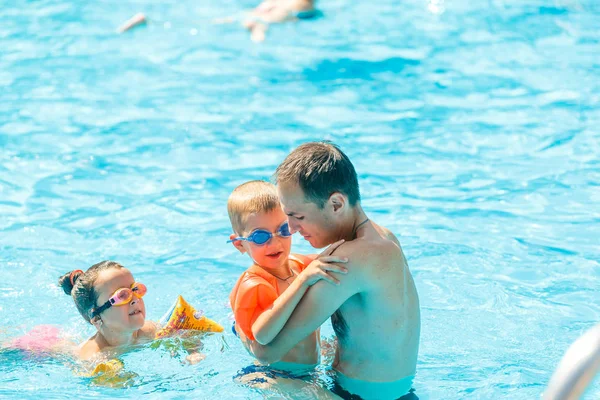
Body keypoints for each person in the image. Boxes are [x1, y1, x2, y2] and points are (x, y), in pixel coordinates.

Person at [246, 142, 421, 400]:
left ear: (336, 204)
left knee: (253, 376)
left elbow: (267, 351)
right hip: (400, 392)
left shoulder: (347, 261)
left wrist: (240, 329)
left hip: (359, 397)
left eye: (299, 217)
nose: (291, 228)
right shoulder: (384, 239)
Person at [227, 180, 347, 383]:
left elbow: (338, 256)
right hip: (277, 375)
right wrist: (303, 281)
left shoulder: (298, 263)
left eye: (283, 230)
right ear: (240, 244)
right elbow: (262, 335)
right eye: (260, 237)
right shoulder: (255, 284)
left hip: (311, 369)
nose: (275, 242)